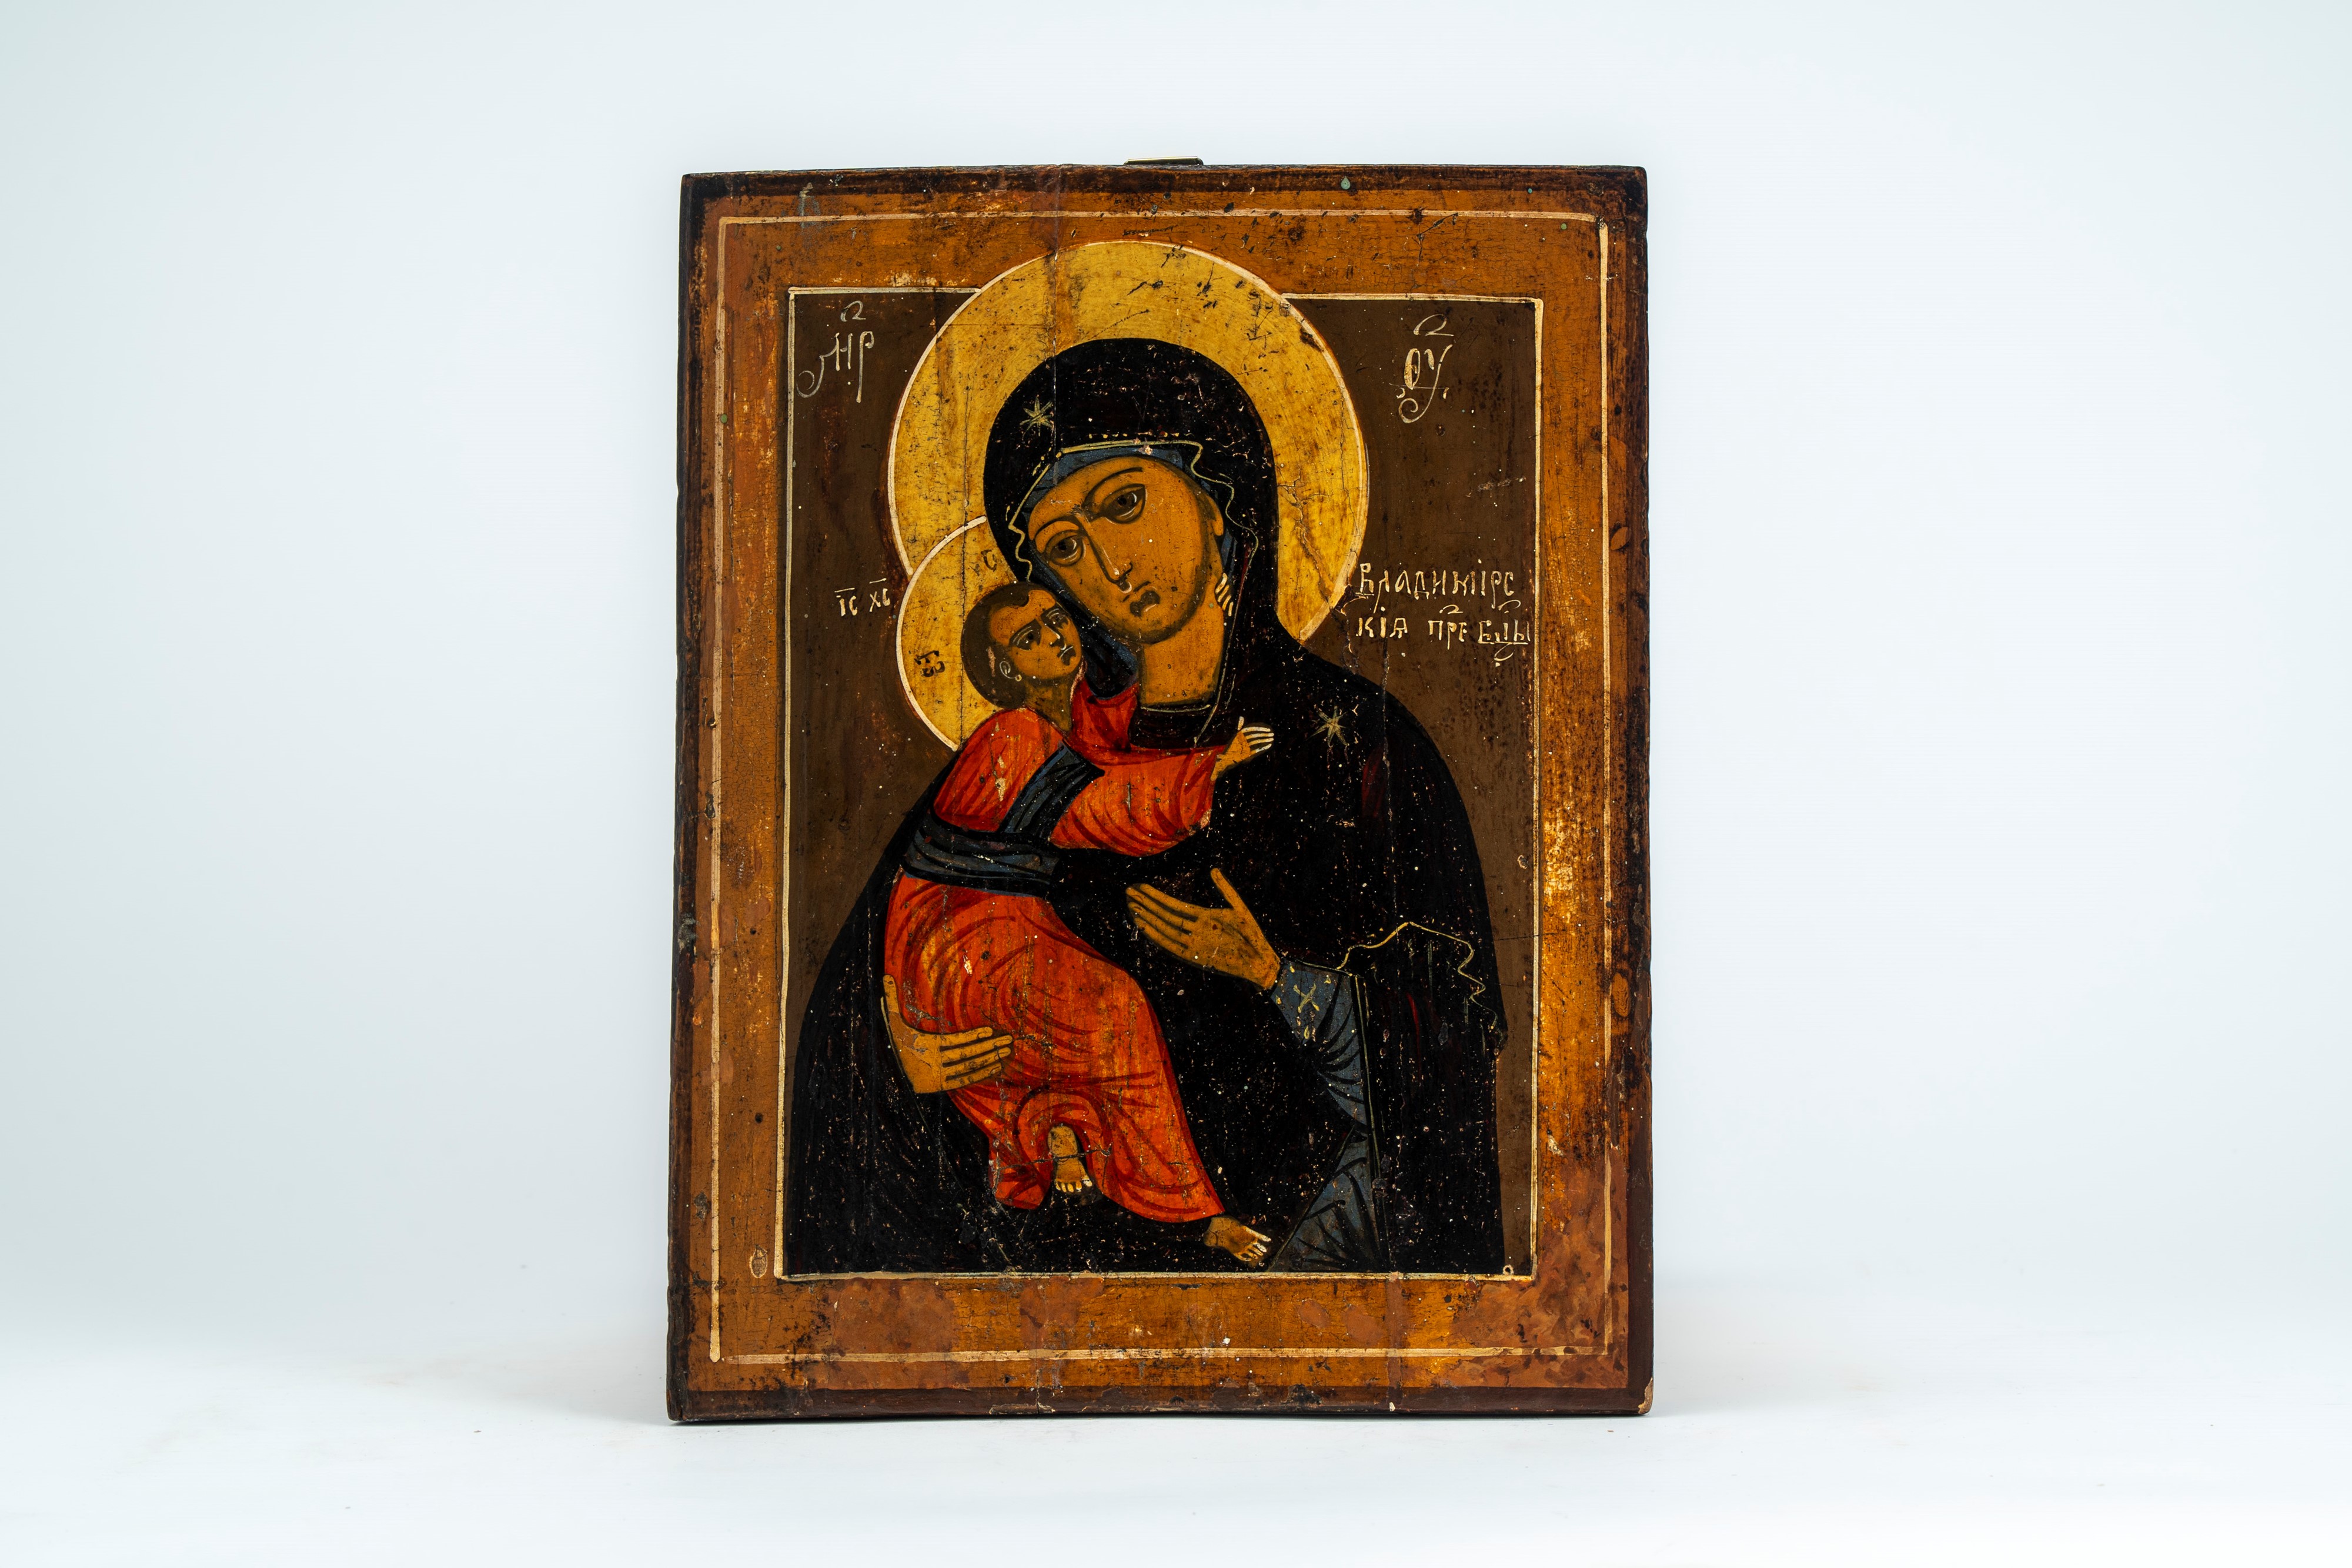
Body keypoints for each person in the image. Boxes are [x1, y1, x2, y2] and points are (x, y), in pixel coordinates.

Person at [787, 337, 1508, 1276]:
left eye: (1125, 503)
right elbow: (877, 1003)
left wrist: (1274, 974)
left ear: (1215, 498)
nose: (1108, 562)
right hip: (1053, 1273)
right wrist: (903, 1059)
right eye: (1064, 546)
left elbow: (1447, 1063)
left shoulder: (1359, 745)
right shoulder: (1027, 766)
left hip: (1302, 1260)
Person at [881, 581, 1275, 1264]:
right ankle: (1187, 1211)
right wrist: (1213, 766)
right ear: (1003, 668)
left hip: (1006, 919)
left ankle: (1056, 1131)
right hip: (952, 934)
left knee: (1091, 1015)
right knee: (1111, 1008)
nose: (1054, 639)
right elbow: (1094, 810)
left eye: (1054, 620)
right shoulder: (1011, 734)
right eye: (1028, 638)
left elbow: (1117, 752)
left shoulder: (1072, 722)